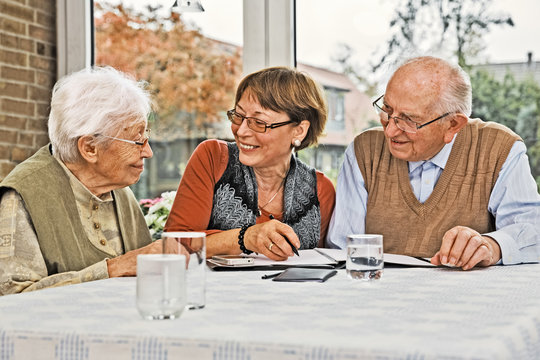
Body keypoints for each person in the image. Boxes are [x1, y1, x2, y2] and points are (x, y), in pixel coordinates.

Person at [327, 56, 540, 270]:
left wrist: (491, 245)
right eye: (388, 110)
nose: (390, 130)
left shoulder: (500, 149)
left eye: (409, 120)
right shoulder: (363, 151)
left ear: (453, 125)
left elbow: (532, 231)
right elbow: (342, 249)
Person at [0, 66, 186, 295]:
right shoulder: (21, 197)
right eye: (137, 141)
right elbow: (13, 298)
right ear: (89, 148)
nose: (148, 152)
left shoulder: (120, 191)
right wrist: (114, 269)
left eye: (146, 137)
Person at [164, 67, 336, 260]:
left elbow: (321, 263)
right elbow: (175, 244)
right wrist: (246, 238)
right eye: (239, 116)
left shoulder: (321, 191)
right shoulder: (213, 158)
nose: (241, 131)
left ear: (299, 131)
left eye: (259, 122)